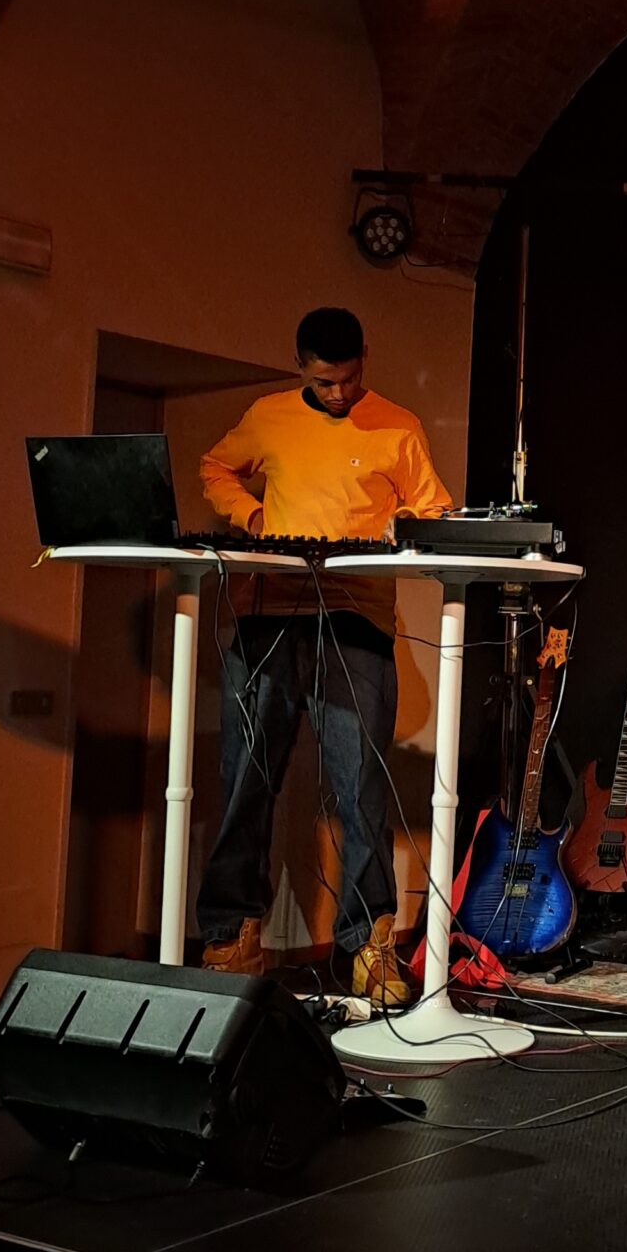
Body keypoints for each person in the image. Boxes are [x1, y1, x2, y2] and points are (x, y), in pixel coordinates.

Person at [195, 306, 452, 1001]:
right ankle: (231, 934)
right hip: (269, 614)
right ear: (300, 367)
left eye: (348, 379)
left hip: (354, 615)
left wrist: (406, 523)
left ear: (364, 357)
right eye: (323, 382)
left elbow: (433, 508)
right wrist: (250, 514)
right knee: (246, 780)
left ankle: (368, 946)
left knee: (361, 785)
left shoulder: (397, 425)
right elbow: (215, 466)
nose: (338, 394)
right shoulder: (269, 416)